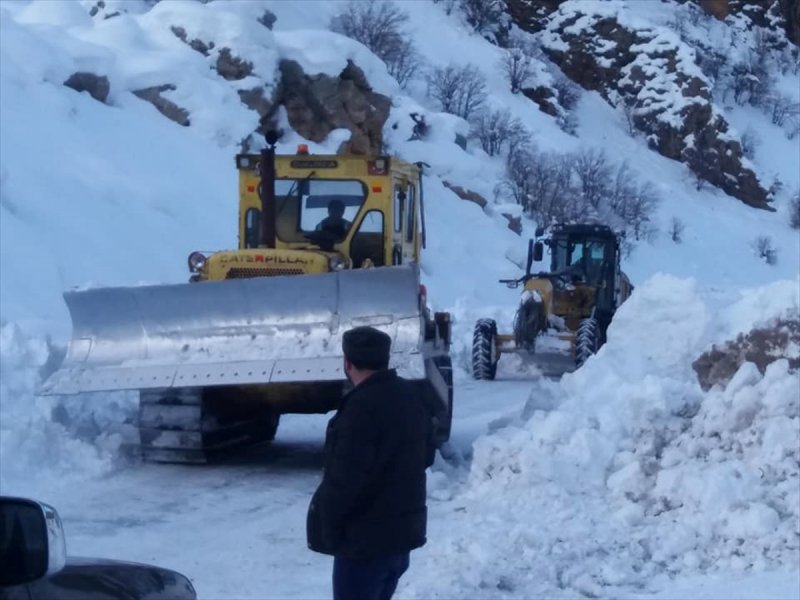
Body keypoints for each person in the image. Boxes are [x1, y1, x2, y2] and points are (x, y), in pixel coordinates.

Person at [307, 326, 433, 600]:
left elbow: (344, 482)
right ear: (385, 359)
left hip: (364, 547)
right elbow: (427, 455)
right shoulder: (411, 397)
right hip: (399, 541)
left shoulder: (359, 409)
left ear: (347, 362)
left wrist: (327, 527)